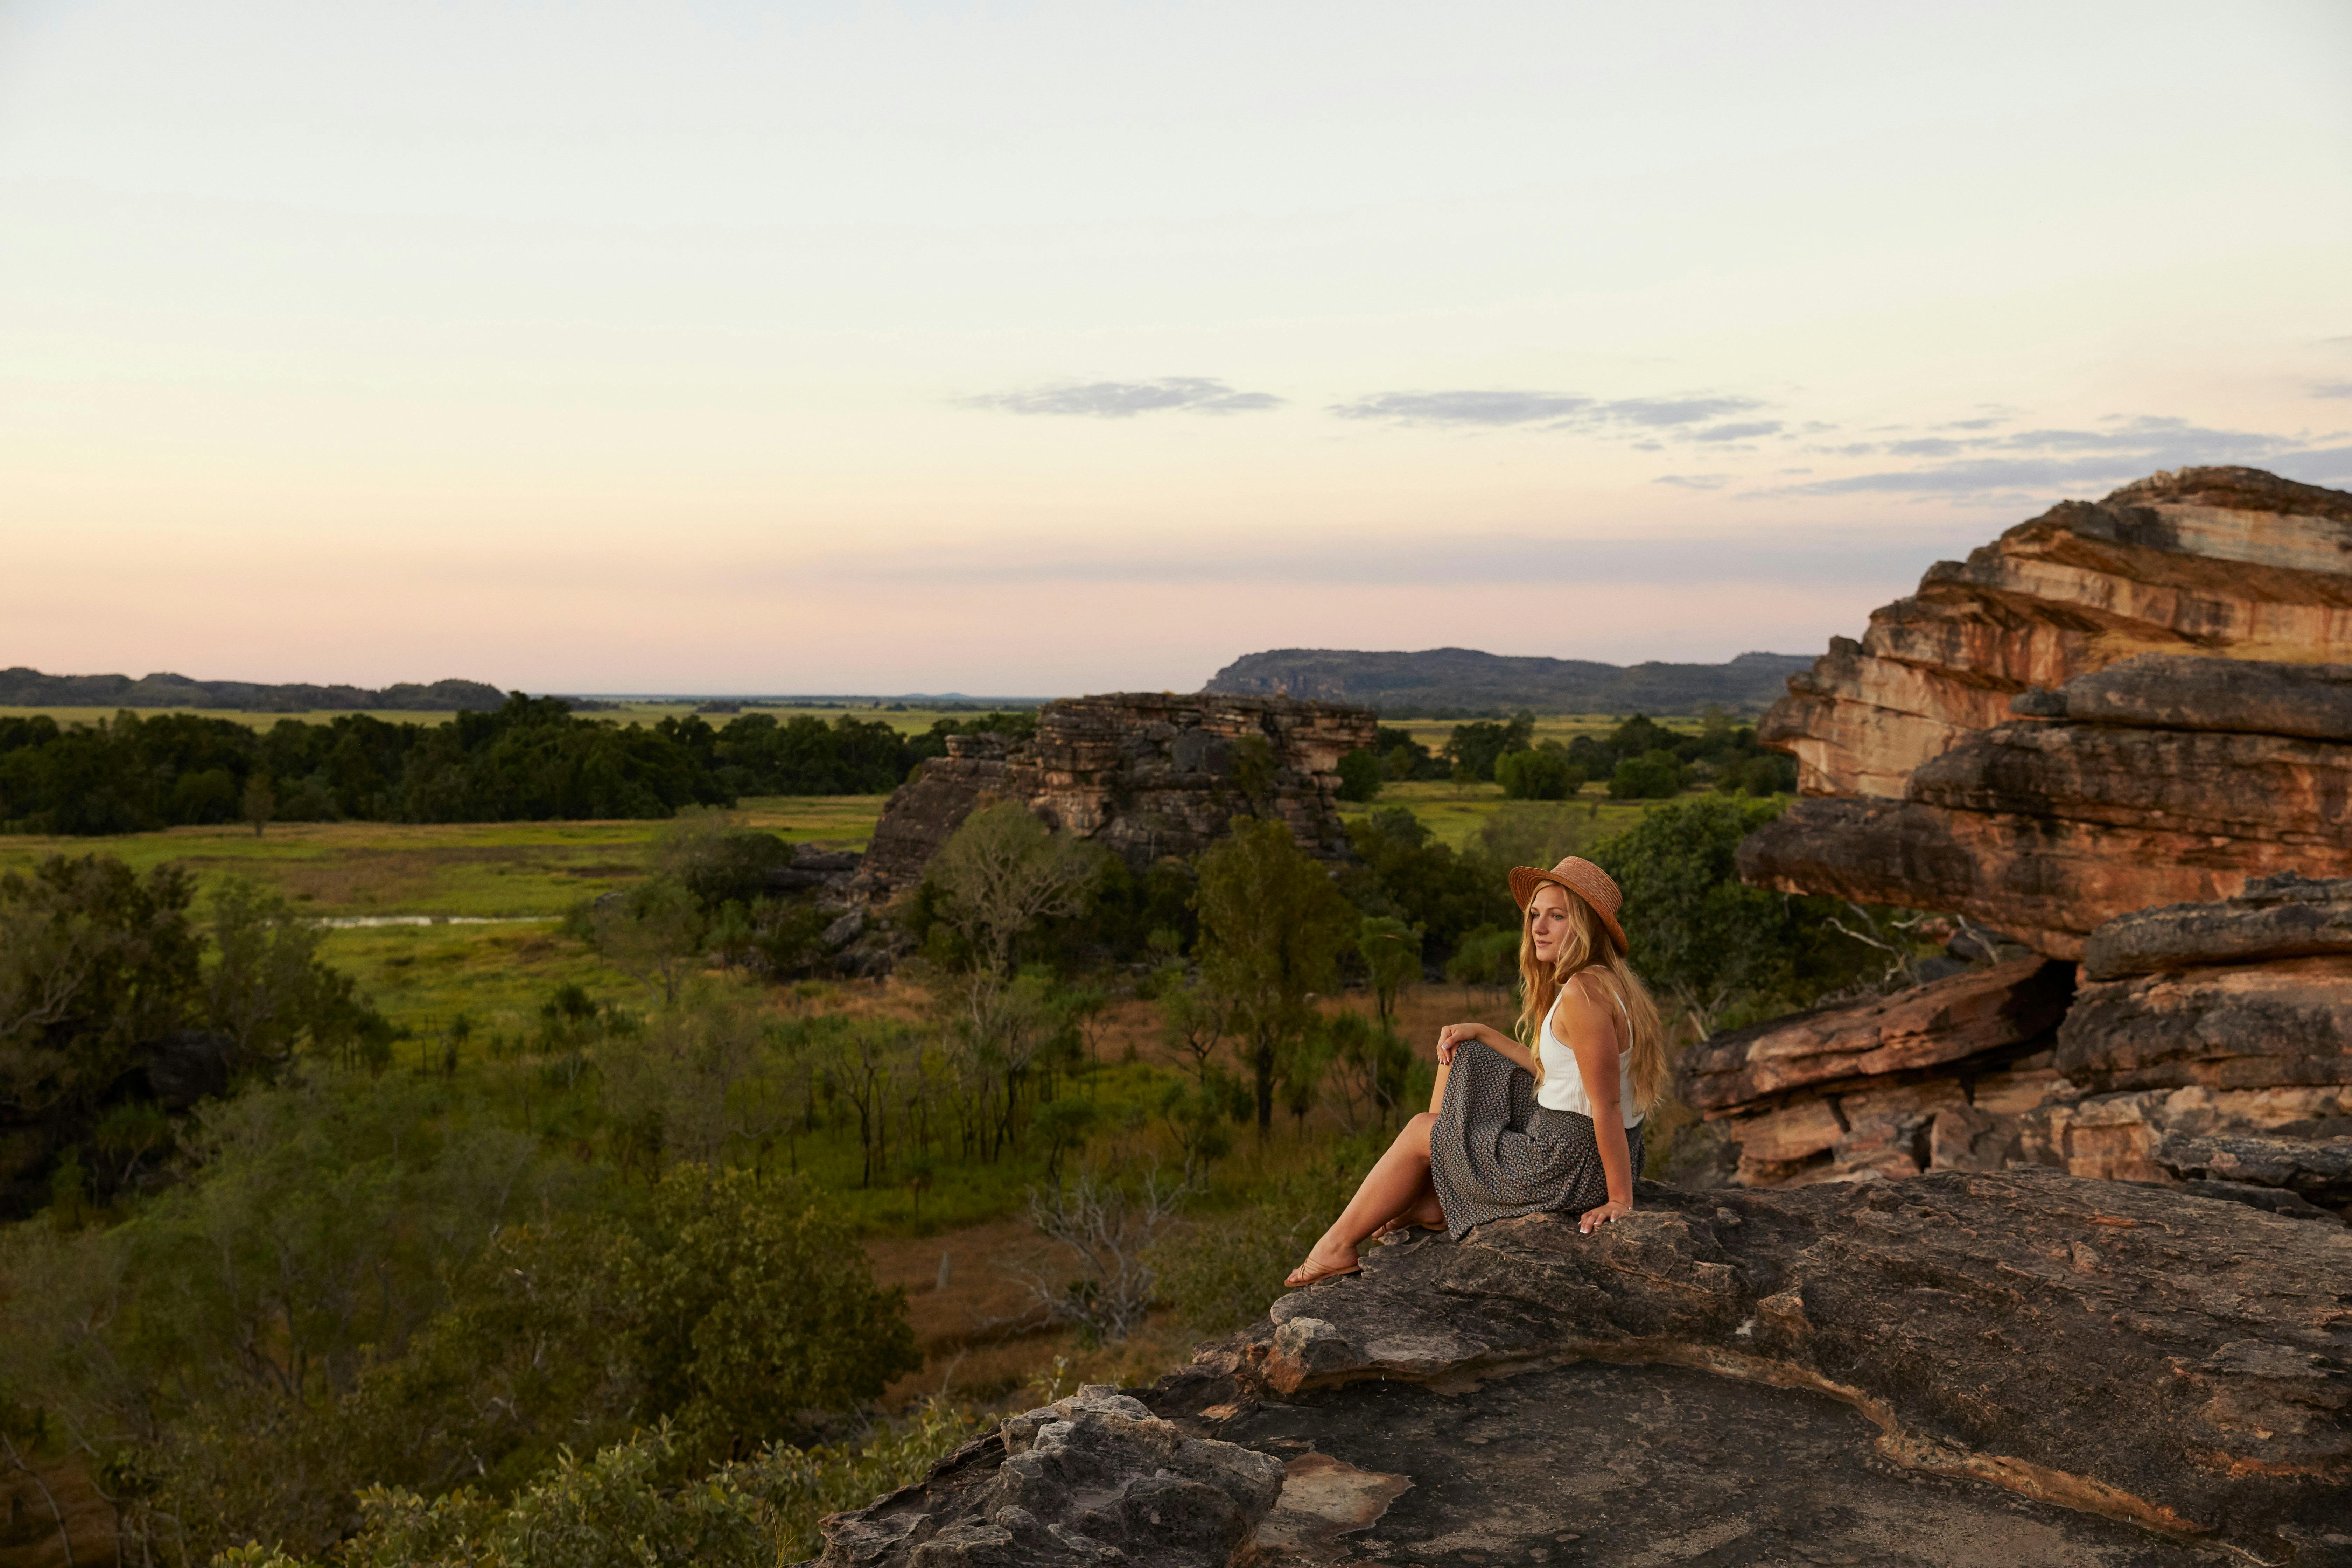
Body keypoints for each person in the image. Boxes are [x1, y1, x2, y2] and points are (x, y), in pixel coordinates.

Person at [1283, 854, 1668, 1287]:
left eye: (1556, 917)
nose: (1538, 928)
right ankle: (1433, 1195)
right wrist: (1484, 1033)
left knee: (1418, 1131)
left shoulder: (1583, 995)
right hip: (1580, 1147)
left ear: (1586, 927)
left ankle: (1336, 1246)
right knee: (1467, 1051)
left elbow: (1607, 1104)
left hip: (1567, 1162)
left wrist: (1620, 1198)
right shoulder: (1604, 981)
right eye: (1535, 916)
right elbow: (1559, 1073)